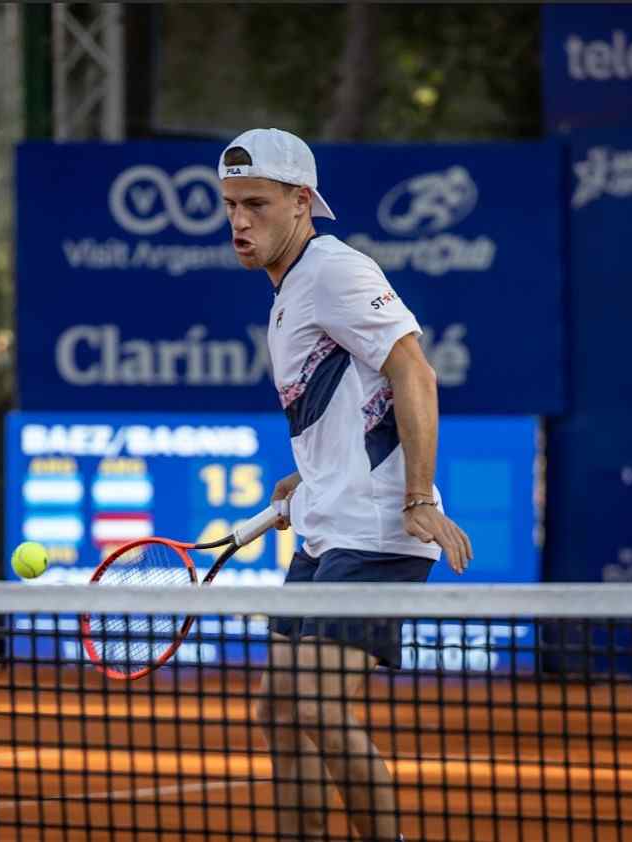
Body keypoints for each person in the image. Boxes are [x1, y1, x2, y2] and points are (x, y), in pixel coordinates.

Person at [219, 127, 474, 841]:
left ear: (302, 202)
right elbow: (353, 403)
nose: (239, 221)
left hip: (378, 528)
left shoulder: (334, 270)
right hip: (328, 526)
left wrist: (417, 496)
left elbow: (413, 370)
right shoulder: (289, 290)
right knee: (280, 711)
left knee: (317, 706)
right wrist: (309, 475)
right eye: (231, 205)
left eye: (257, 205)